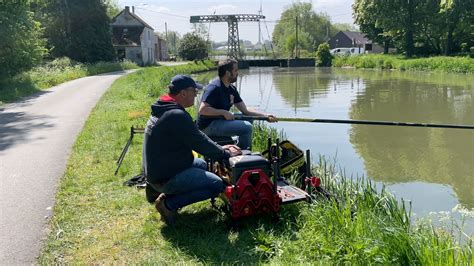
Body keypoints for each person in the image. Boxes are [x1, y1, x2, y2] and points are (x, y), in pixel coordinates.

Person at [142, 74, 241, 225]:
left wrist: (219, 147)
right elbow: (199, 142)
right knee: (216, 185)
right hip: (164, 177)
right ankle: (168, 205)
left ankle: (162, 192)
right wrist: (225, 154)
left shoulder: (163, 107)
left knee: (201, 164)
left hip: (158, 170)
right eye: (194, 92)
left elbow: (196, 134)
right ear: (183, 93)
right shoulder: (176, 115)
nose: (196, 96)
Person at [197, 59, 277, 150]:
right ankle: (243, 155)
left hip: (220, 120)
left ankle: (237, 147)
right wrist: (224, 112)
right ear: (227, 73)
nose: (237, 73)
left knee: (250, 119)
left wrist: (266, 116)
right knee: (247, 128)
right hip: (208, 125)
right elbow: (202, 110)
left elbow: (245, 110)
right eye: (235, 70)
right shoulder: (214, 88)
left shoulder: (231, 89)